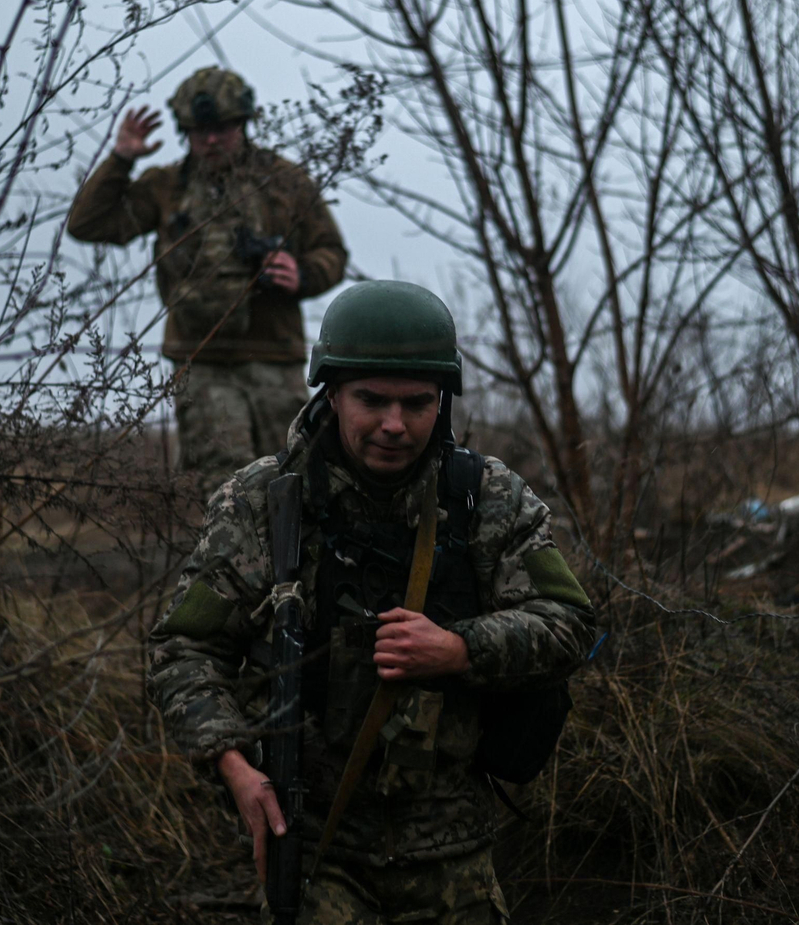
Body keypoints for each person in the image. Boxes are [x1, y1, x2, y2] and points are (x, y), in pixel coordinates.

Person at [148, 281, 597, 924]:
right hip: (315, 849)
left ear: (441, 403)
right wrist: (233, 765)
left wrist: (459, 647)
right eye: (371, 400)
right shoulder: (264, 503)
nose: (394, 424)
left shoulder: (485, 497)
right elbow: (184, 648)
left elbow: (571, 622)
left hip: (454, 853)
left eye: (417, 403)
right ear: (331, 394)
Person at [67, 66, 348, 474]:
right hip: (200, 361)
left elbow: (332, 252)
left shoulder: (284, 182)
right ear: (185, 132)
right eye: (200, 131)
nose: (212, 140)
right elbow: (87, 223)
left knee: (295, 472)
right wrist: (120, 159)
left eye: (222, 128)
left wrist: (301, 273)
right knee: (221, 481)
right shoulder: (166, 187)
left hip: (273, 356)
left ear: (242, 124)